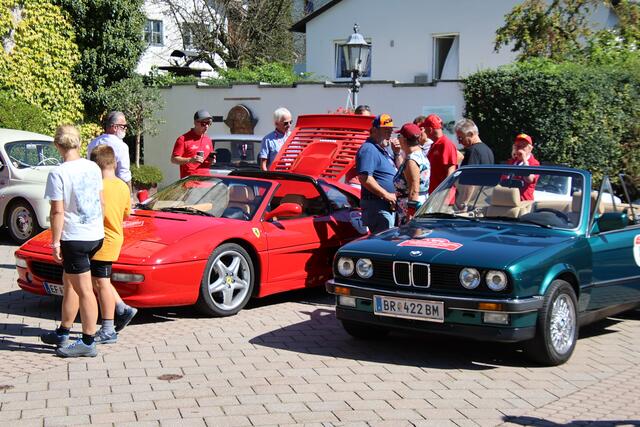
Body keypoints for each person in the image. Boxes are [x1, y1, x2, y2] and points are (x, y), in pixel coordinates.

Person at [40, 125, 104, 358]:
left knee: (84, 290)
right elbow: (101, 200)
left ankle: (87, 341)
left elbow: (57, 211)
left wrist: (55, 242)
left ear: (57, 145)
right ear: (78, 142)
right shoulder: (93, 167)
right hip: (94, 233)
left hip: (75, 237)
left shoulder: (58, 173)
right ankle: (64, 330)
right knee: (70, 283)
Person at [89, 145, 137, 344]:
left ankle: (108, 327)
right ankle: (122, 308)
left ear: (94, 165)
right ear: (114, 163)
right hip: (115, 236)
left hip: (102, 239)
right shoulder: (122, 186)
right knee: (99, 280)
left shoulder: (97, 186)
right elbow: (126, 213)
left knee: (101, 283)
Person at [356, 114, 400, 233]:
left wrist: (397, 153)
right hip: (378, 206)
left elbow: (400, 170)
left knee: (390, 239)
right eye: (386, 130)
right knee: (385, 241)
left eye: (390, 130)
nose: (390, 133)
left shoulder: (382, 149)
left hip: (386, 205)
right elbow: (365, 178)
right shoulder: (369, 149)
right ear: (374, 130)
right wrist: (387, 195)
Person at [393, 123, 430, 224]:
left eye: (399, 136)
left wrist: (410, 213)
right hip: (419, 203)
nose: (398, 139)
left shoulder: (412, 160)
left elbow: (414, 190)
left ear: (404, 139)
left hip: (411, 208)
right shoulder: (420, 155)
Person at [87, 111, 132, 191]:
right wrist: (130, 194)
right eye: (124, 126)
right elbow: (124, 175)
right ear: (115, 127)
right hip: (115, 190)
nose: (126, 129)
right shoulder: (121, 146)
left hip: (95, 189)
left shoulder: (93, 143)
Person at [421, 114, 459, 193]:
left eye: (425, 128)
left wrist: (444, 194)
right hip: (435, 194)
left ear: (430, 129)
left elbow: (451, 171)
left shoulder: (445, 144)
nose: (424, 131)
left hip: (441, 195)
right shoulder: (435, 144)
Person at [171, 110, 215, 178]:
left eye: (209, 123)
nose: (206, 126)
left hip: (206, 180)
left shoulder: (208, 140)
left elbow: (208, 160)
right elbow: (174, 159)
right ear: (195, 123)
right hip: (190, 181)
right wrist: (190, 160)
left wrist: (211, 160)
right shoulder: (183, 139)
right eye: (203, 123)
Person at [507, 133, 540, 201]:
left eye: (523, 145)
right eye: (517, 145)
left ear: (530, 149)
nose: (520, 148)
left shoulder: (534, 163)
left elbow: (529, 179)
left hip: (524, 202)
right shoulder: (512, 161)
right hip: (508, 199)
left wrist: (524, 160)